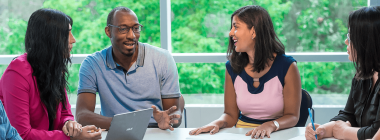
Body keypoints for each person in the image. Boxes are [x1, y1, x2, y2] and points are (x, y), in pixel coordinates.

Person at [189, 5, 302, 139]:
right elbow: (230, 116)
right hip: (243, 134)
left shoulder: (287, 66)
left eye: (236, 27)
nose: (230, 33)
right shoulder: (232, 67)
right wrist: (217, 123)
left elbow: (292, 116)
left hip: (278, 133)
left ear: (253, 31)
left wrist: (271, 125)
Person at [75, 6, 184, 131]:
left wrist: (172, 119)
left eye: (136, 28)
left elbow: (174, 116)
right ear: (108, 31)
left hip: (155, 131)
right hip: (114, 132)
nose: (132, 36)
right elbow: (82, 115)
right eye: (123, 29)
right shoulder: (92, 64)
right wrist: (128, 124)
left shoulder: (163, 59)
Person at [0, 9, 102, 140]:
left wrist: (69, 124)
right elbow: (22, 135)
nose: (74, 40)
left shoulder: (53, 68)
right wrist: (70, 138)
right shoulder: (17, 73)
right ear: (49, 38)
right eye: (67, 33)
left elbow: (65, 113)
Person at [305, 6, 380, 140]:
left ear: (367, 41)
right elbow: (348, 115)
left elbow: (376, 132)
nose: (346, 41)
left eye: (351, 37)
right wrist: (323, 129)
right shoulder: (362, 75)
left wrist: (344, 132)